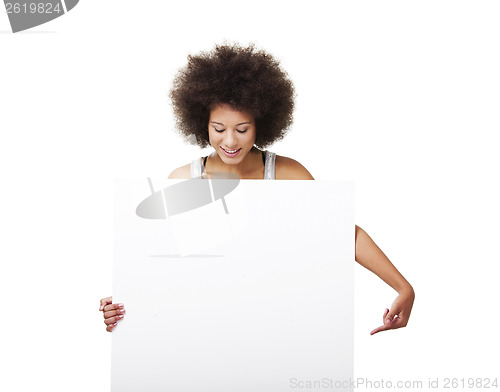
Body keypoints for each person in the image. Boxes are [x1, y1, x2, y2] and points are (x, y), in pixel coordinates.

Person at [100, 43, 414, 336]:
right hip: (204, 334)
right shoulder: (182, 181)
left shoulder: (288, 175)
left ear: (261, 124)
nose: (230, 142)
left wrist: (403, 288)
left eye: (242, 129)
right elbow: (160, 267)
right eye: (219, 129)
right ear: (202, 124)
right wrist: (124, 305)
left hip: (276, 333)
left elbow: (343, 234)